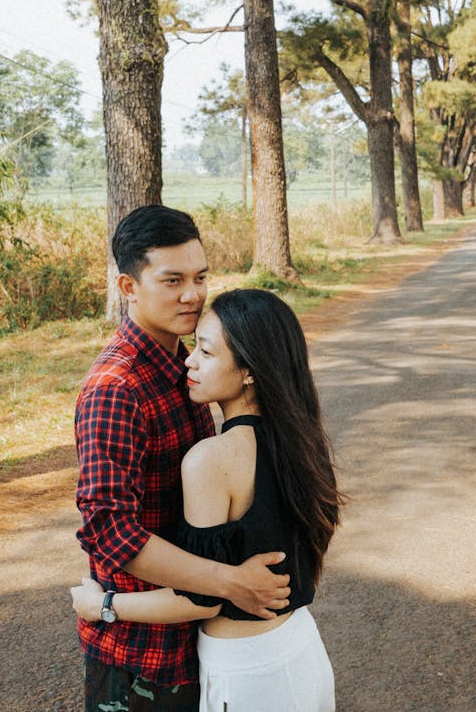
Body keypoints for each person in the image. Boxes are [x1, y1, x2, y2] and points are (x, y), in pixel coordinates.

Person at [73, 287, 342, 712]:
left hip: (247, 676)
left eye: (205, 351)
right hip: (300, 650)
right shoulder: (300, 439)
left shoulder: (210, 460)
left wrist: (102, 605)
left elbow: (200, 599)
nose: (188, 361)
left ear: (249, 371)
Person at [75, 206, 290, 712]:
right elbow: (110, 532)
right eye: (172, 280)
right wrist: (230, 582)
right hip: (141, 657)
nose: (192, 295)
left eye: (199, 277)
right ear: (128, 287)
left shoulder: (189, 366)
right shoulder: (115, 389)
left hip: (198, 639)